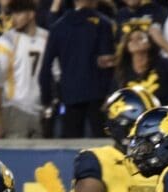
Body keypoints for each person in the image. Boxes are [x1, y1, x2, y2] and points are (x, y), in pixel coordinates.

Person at [38, 0, 117, 138]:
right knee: (101, 147)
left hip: (69, 96)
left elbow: (46, 68)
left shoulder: (59, 26)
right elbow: (108, 63)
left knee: (70, 146)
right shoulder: (103, 24)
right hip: (98, 97)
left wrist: (47, 99)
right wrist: (110, 93)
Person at [0, 0, 48, 139]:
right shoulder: (5, 42)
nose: (14, 18)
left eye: (19, 13)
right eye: (13, 13)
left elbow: (55, 75)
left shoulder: (46, 38)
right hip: (14, 110)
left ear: (31, 14)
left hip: (40, 110)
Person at [115, 25, 168, 107]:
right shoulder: (123, 69)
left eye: (140, 38)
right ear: (127, 47)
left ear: (149, 43)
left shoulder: (163, 64)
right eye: (130, 40)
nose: (135, 41)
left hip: (164, 115)